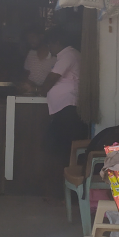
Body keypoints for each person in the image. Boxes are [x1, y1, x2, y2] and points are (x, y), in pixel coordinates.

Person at [37, 27, 88, 165]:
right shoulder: (69, 54)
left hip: (68, 107)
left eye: (50, 45)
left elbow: (52, 78)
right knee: (59, 145)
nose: (49, 49)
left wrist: (41, 90)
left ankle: (63, 178)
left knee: (60, 146)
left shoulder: (67, 55)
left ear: (57, 43)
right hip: (65, 107)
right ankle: (63, 177)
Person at [20, 28, 55, 93]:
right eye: (28, 38)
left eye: (32, 37)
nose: (30, 40)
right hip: (31, 93)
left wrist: (39, 88)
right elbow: (26, 73)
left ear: (41, 36)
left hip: (49, 92)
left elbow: (54, 79)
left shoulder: (54, 54)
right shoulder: (30, 53)